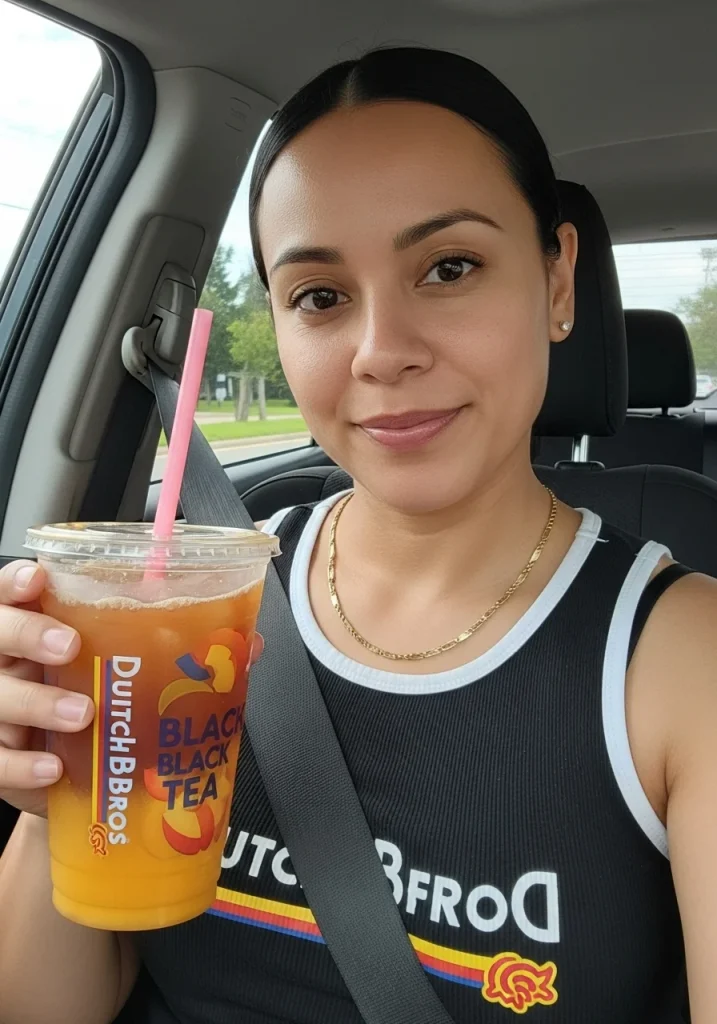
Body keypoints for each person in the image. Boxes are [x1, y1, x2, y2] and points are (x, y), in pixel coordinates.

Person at [0, 45, 713, 1024]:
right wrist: (62, 791)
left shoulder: (681, 659)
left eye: (450, 267)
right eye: (321, 296)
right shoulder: (195, 599)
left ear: (556, 284)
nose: (381, 352)